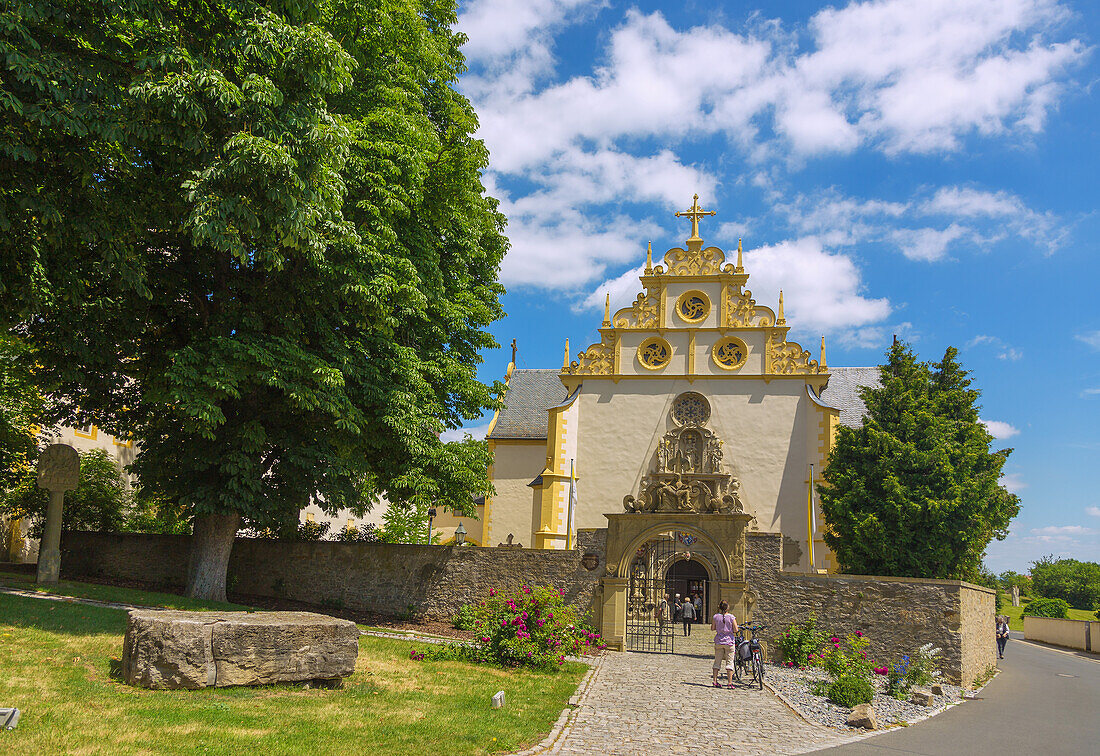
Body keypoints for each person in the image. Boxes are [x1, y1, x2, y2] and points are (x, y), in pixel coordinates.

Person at [711, 599, 739, 688]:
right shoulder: (731, 617)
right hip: (729, 642)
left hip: (719, 641)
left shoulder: (715, 617)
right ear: (727, 607)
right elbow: (736, 629)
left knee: (717, 662)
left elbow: (712, 628)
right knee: (730, 662)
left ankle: (715, 681)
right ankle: (729, 683)